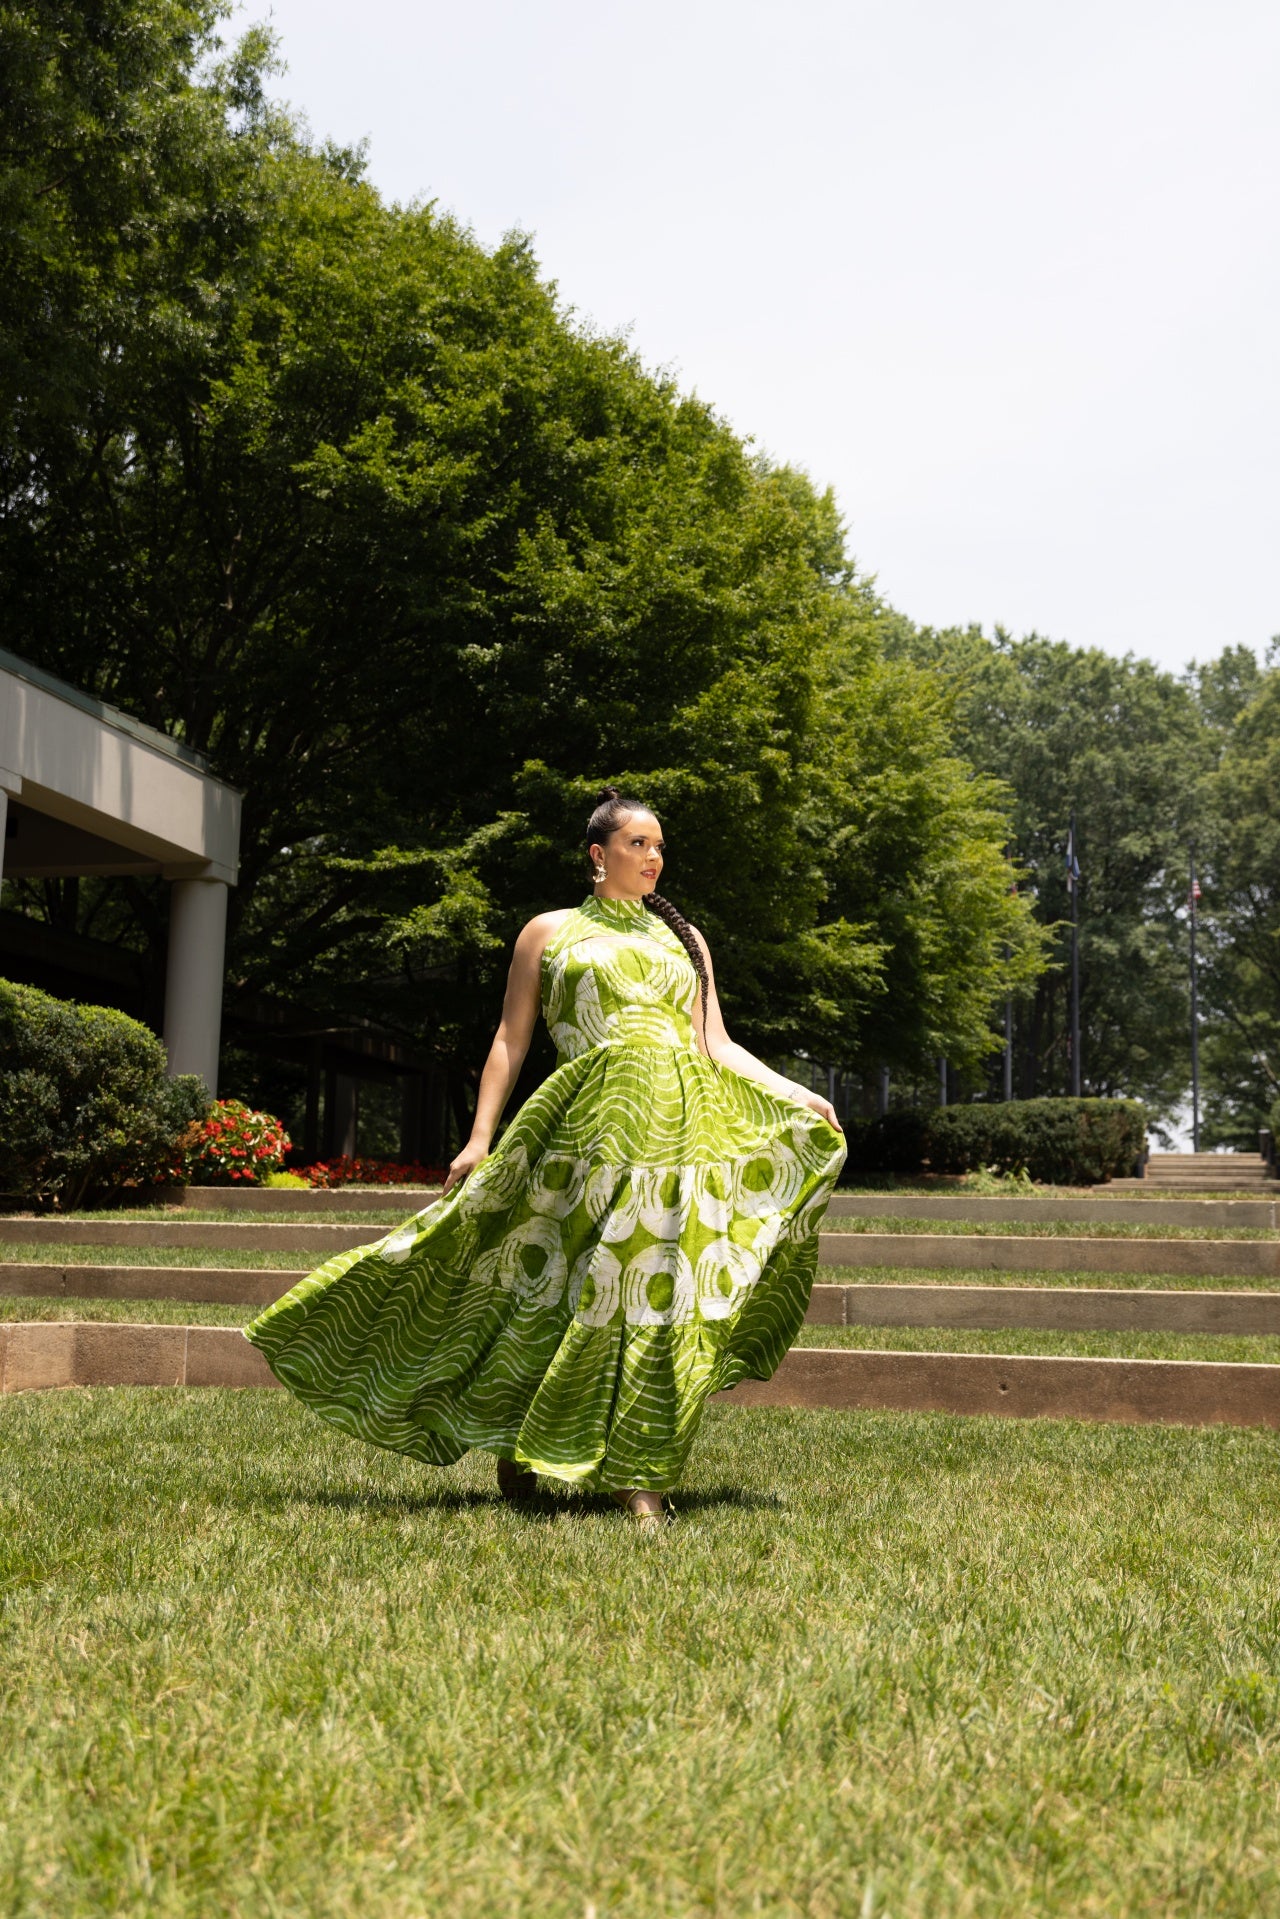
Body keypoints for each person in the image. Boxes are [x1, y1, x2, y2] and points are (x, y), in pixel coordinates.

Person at [244, 787, 845, 1528]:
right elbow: (510, 1039)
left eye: (659, 846)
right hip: (580, 1131)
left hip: (673, 1135)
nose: (654, 857)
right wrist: (478, 1136)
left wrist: (795, 1093)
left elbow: (715, 1045)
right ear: (599, 855)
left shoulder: (686, 942)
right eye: (638, 844)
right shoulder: (549, 932)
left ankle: (639, 1477)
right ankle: (519, 1438)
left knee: (651, 1293)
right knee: (553, 1288)